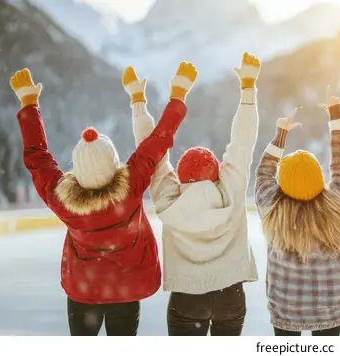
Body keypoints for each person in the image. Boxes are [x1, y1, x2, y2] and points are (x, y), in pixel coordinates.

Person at [9, 63, 197, 336]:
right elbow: (158, 140)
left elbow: (37, 157)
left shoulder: (63, 200)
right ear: (113, 162)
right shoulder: (131, 185)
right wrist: (178, 94)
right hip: (126, 291)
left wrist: (29, 104)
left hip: (83, 293)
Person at [123, 52, 260, 336]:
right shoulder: (231, 188)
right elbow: (243, 141)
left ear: (182, 176)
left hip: (187, 298)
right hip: (230, 294)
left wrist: (138, 103)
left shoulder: (169, 200)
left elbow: (153, 154)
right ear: (216, 170)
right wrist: (248, 87)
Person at [255, 86, 340, 336]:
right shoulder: (336, 205)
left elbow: (264, 173)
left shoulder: (272, 208)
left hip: (286, 310)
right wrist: (335, 118)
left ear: (284, 184)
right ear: (319, 180)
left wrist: (280, 136)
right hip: (328, 311)